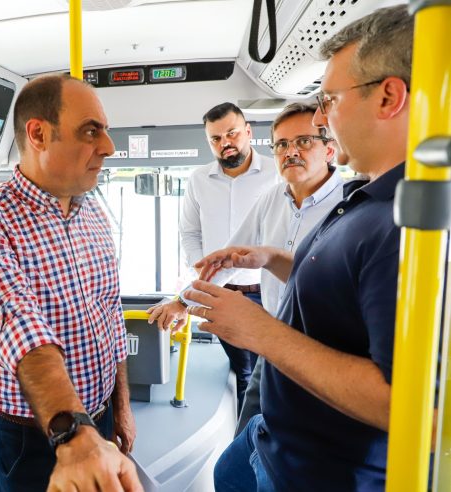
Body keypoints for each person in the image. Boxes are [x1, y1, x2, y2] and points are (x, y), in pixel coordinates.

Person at [186, 6, 413, 490]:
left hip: (316, 472)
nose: (321, 117)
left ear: (389, 97)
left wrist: (261, 332)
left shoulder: (408, 223)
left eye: (329, 99)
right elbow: (341, 293)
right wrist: (271, 258)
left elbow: (408, 406)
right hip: (272, 435)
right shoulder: (366, 198)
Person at [0, 74, 142, 492]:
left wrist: (121, 408)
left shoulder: (95, 213)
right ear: (38, 134)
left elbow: (111, 315)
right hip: (34, 436)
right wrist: (74, 432)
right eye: (92, 131)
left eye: (105, 132)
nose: (108, 147)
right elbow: (16, 323)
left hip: (98, 419)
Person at [148, 102, 344, 434]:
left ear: (330, 150)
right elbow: (228, 258)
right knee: (239, 454)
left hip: (324, 349)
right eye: (282, 144)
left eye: (304, 141)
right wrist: (182, 302)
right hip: (269, 333)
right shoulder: (270, 199)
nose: (290, 151)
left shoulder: (348, 205)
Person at [174, 102, 278, 411]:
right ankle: (246, 439)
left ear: (248, 132)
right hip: (220, 294)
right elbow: (190, 232)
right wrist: (203, 274)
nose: (225, 144)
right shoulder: (198, 179)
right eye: (215, 139)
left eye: (231, 134)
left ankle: (259, 444)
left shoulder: (276, 173)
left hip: (266, 292)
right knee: (242, 372)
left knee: (267, 373)